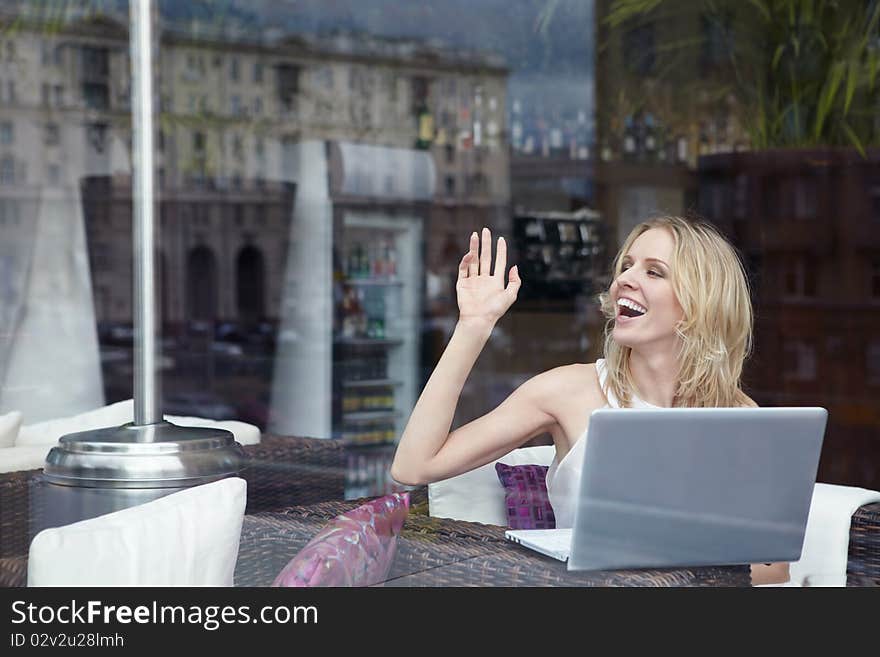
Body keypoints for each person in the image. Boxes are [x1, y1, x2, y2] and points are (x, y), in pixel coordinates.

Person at [390, 215, 788, 585]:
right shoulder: (567, 391)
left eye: (654, 271)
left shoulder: (737, 414)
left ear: (699, 306)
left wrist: (671, 568)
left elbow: (772, 567)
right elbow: (414, 466)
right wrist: (474, 327)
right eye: (626, 266)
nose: (626, 280)